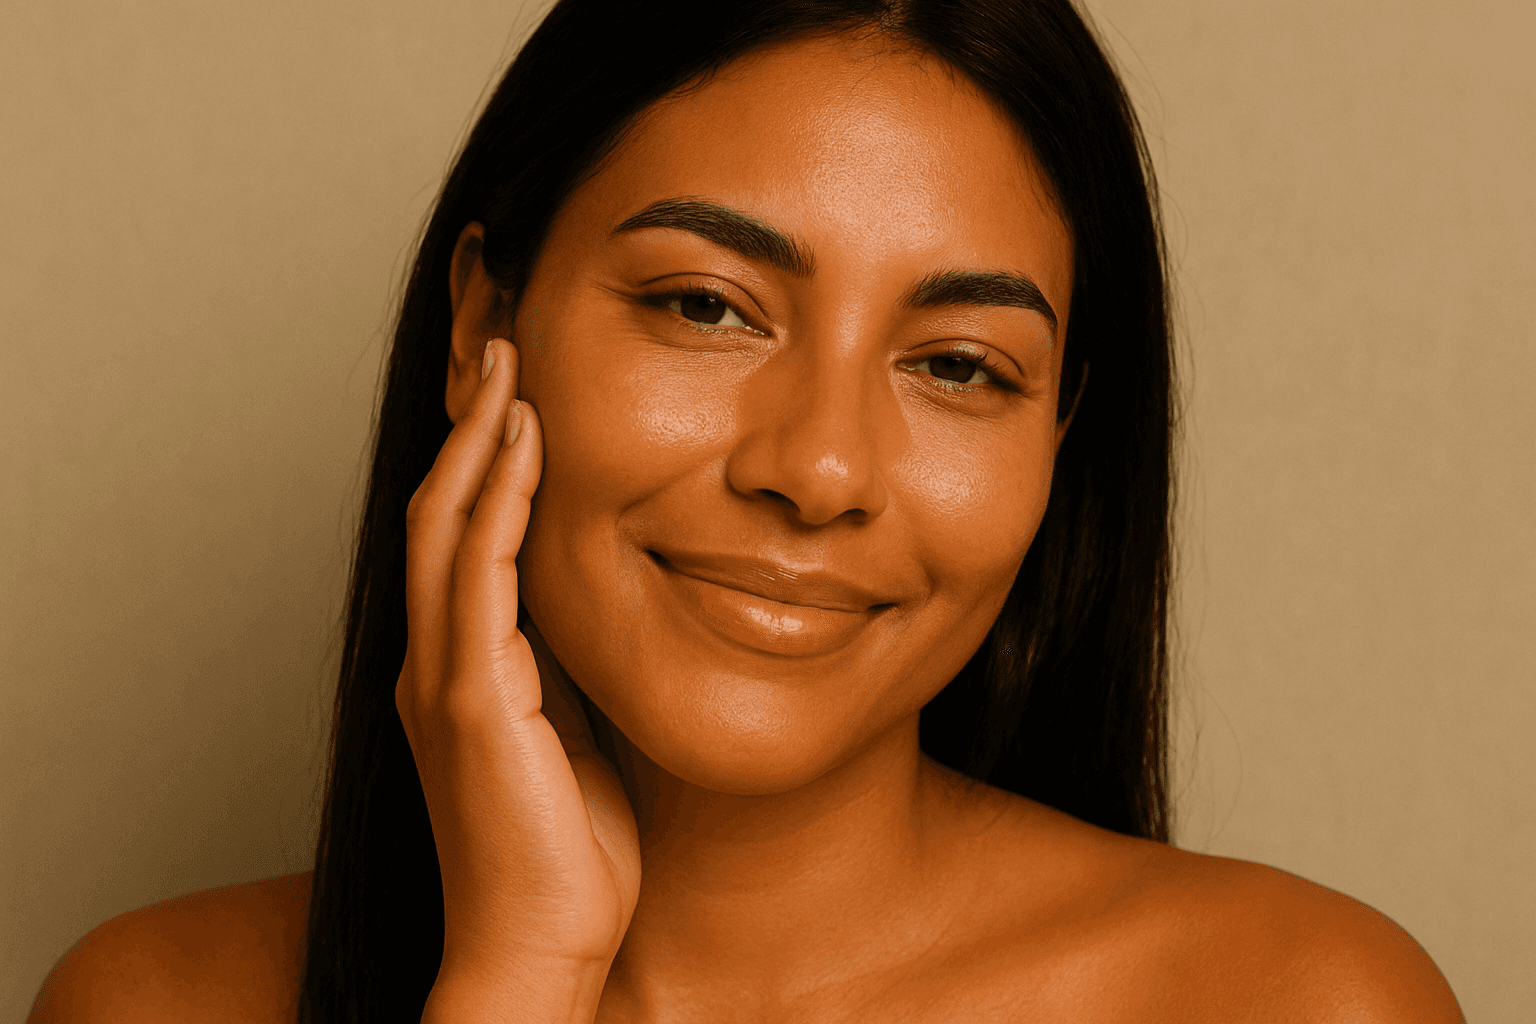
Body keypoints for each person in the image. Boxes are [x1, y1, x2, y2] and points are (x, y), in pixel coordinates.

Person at [29, 1, 1464, 1021]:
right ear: (483, 322)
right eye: (705, 306)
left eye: (959, 365)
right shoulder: (157, 1003)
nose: (820, 467)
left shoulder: (1291, 1003)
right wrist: (520, 977)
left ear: (1060, 440)